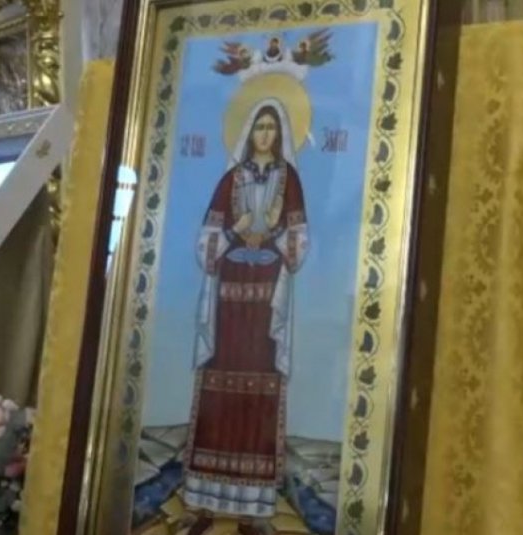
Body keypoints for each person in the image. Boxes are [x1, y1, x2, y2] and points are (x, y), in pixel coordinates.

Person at [185, 100, 309, 535]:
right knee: (218, 384)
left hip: (267, 299)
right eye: (259, 127)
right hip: (229, 297)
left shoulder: (289, 179)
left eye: (272, 127)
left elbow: (300, 239)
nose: (265, 134)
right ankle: (204, 502)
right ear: (250, 132)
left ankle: (251, 513)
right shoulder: (230, 179)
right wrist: (236, 231)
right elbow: (205, 243)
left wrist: (273, 234)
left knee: (262, 386)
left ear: (280, 135)